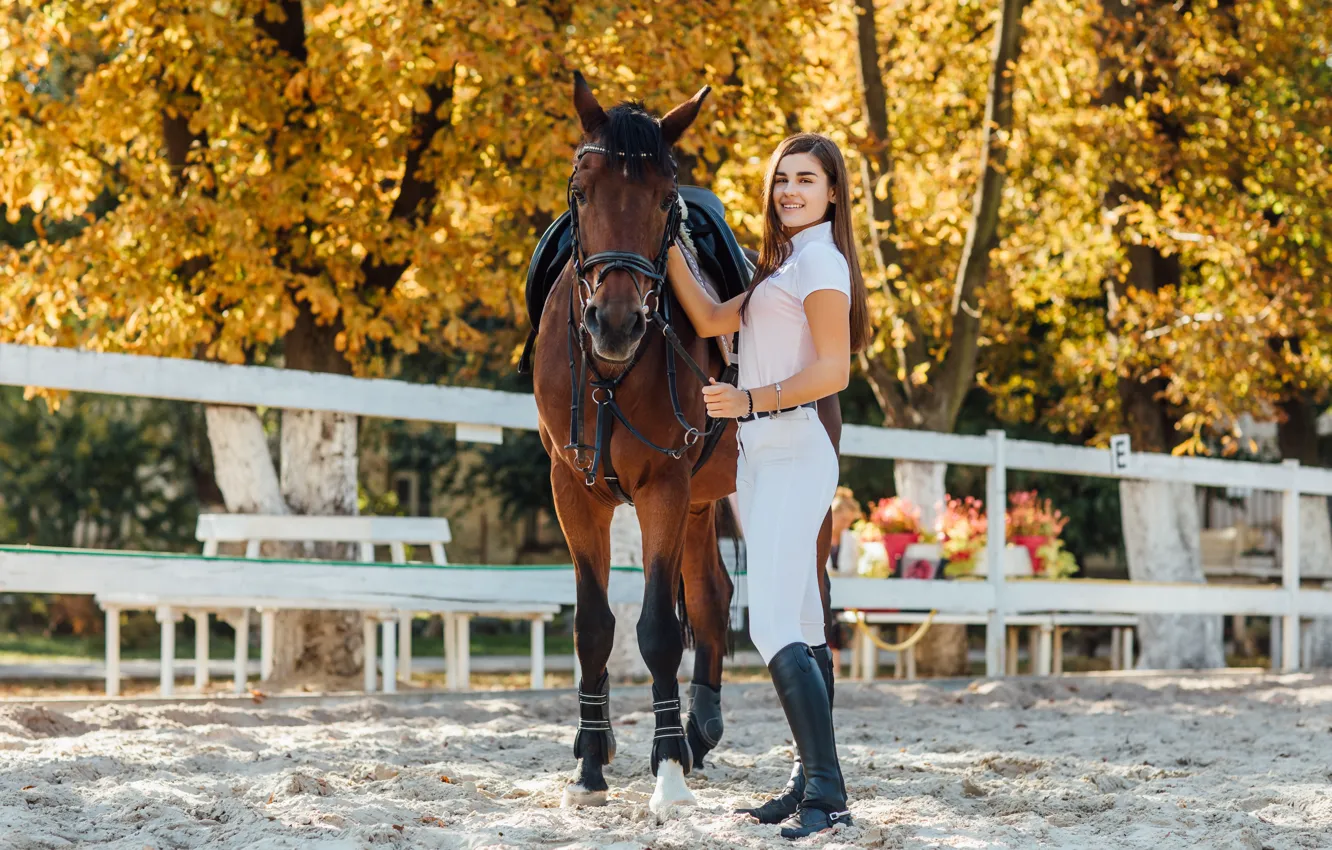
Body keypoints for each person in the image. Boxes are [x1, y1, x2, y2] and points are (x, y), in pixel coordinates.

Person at [665, 132, 871, 839]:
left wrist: (750, 401)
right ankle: (808, 781)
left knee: (772, 623)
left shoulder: (822, 264)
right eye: (782, 178)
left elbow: (834, 372)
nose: (789, 190)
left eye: (806, 179)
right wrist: (662, 238)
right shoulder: (780, 265)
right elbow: (712, 320)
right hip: (760, 458)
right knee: (805, 624)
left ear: (833, 192)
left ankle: (828, 792)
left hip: (792, 448)